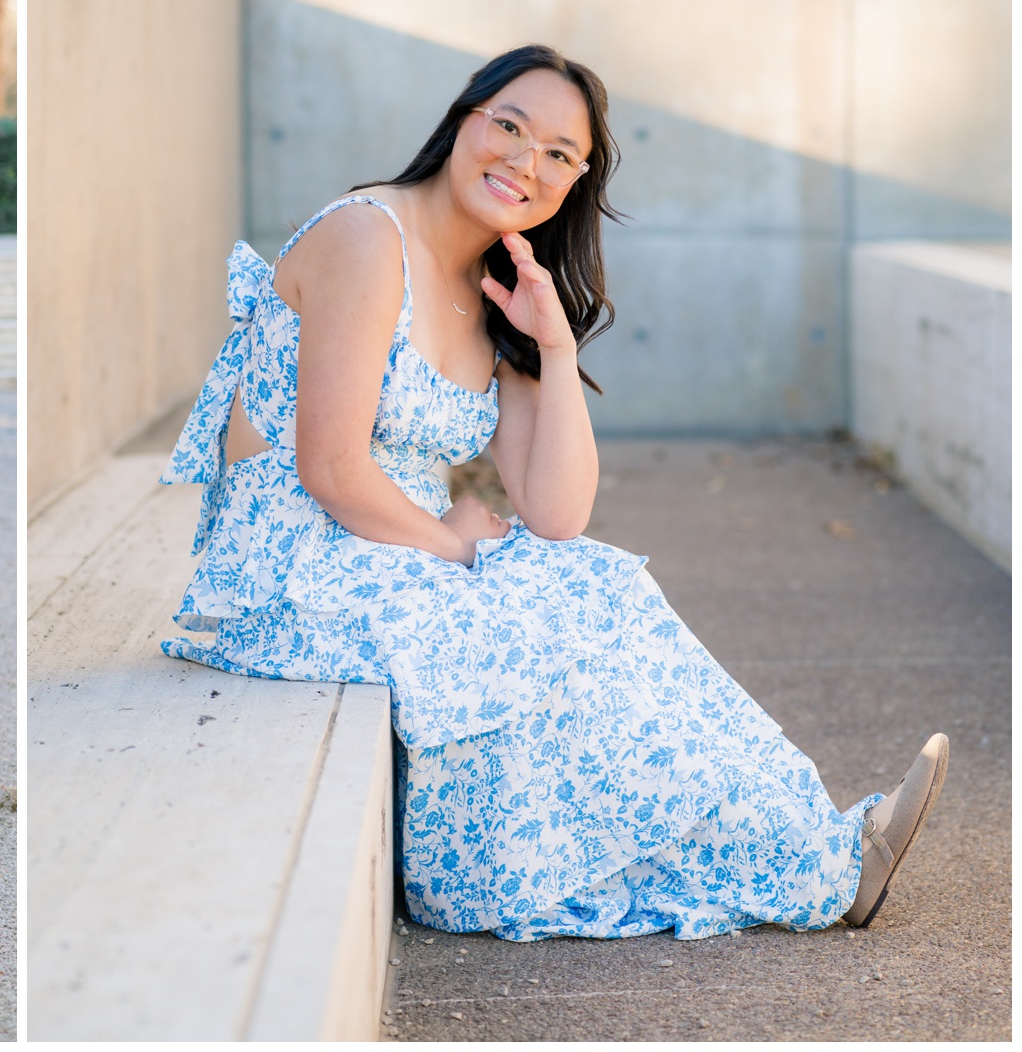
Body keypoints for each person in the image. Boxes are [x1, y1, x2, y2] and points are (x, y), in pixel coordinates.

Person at [160, 46, 948, 939]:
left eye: (560, 155)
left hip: (380, 547)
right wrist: (456, 542)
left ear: (576, 182)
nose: (525, 163)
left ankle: (813, 847)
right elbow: (330, 468)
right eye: (509, 127)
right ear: (466, 119)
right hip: (293, 564)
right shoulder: (367, 237)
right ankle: (803, 865)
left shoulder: (495, 283)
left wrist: (556, 345)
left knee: (598, 581)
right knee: (542, 607)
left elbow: (558, 511)